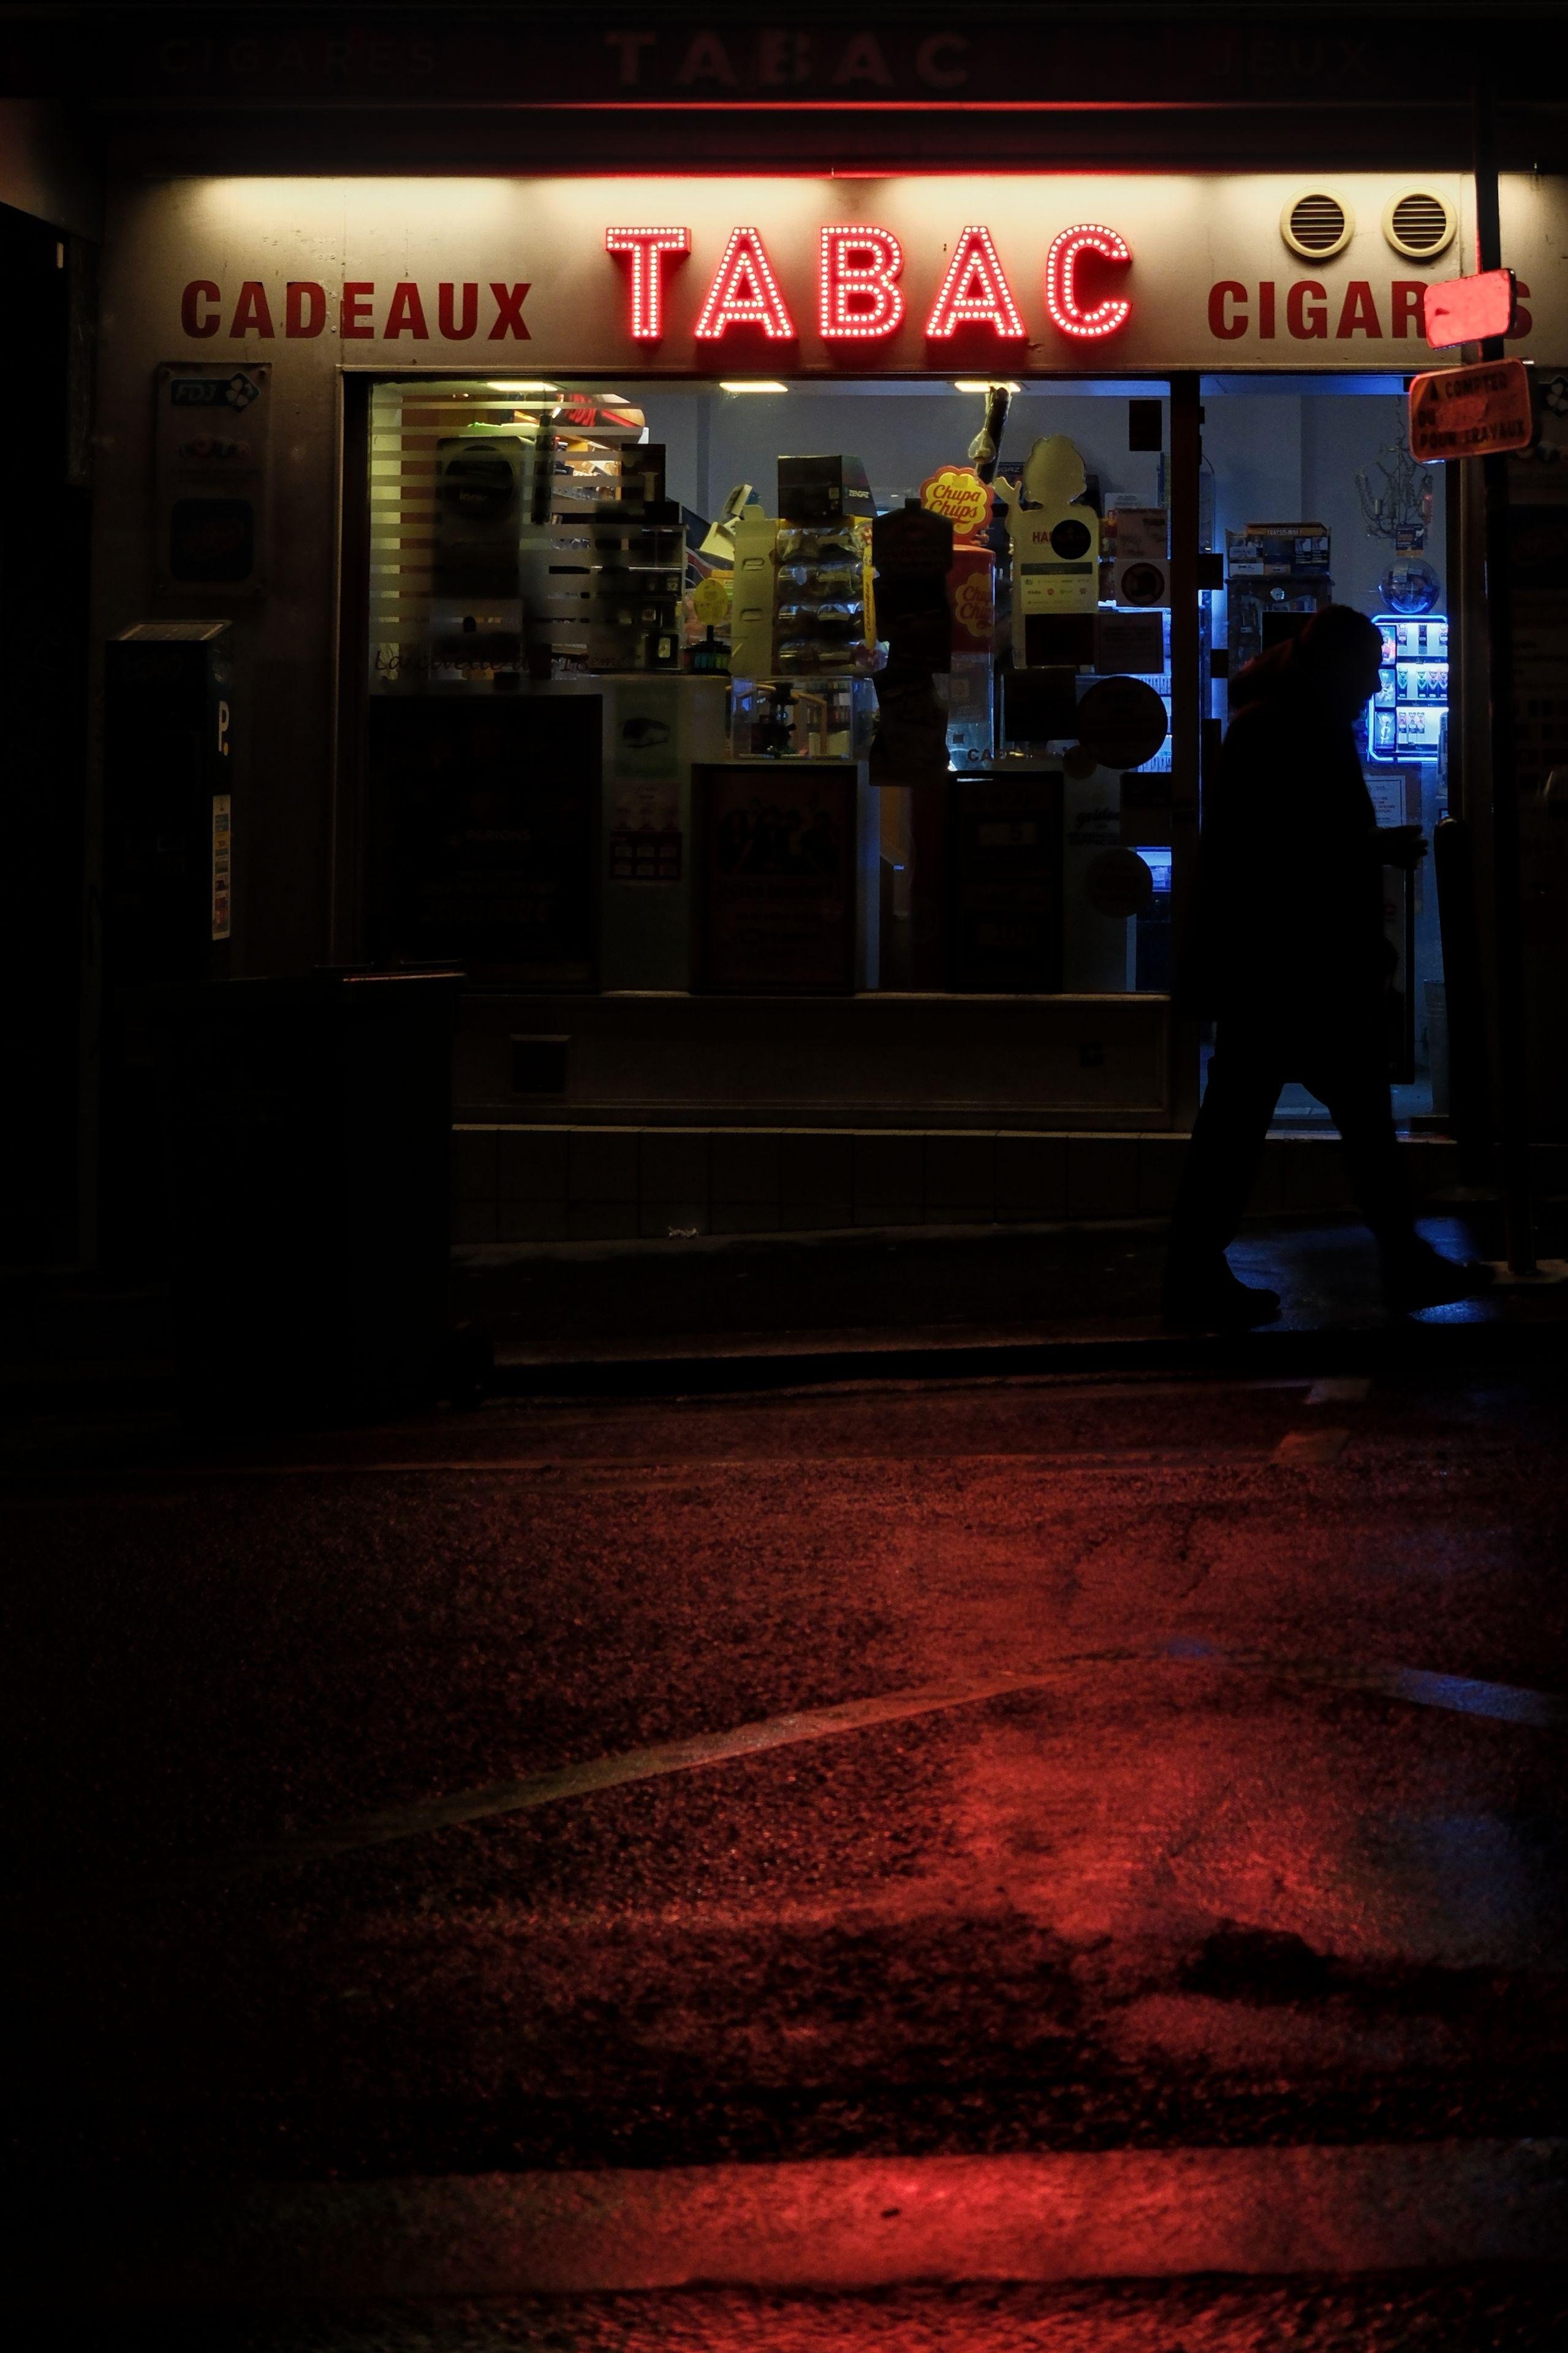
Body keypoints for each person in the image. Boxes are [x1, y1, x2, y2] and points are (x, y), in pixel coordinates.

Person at [1165, 603, 1484, 1327]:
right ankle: (1396, 1260)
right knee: (1335, 1121)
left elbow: (1279, 843)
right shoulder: (1285, 728)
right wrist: (1370, 850)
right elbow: (1284, 852)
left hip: (1278, 967)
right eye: (1368, 670)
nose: (1375, 686)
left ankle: (1197, 1271)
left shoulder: (1278, 722)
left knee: (1248, 1125)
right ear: (1336, 665)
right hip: (1293, 967)